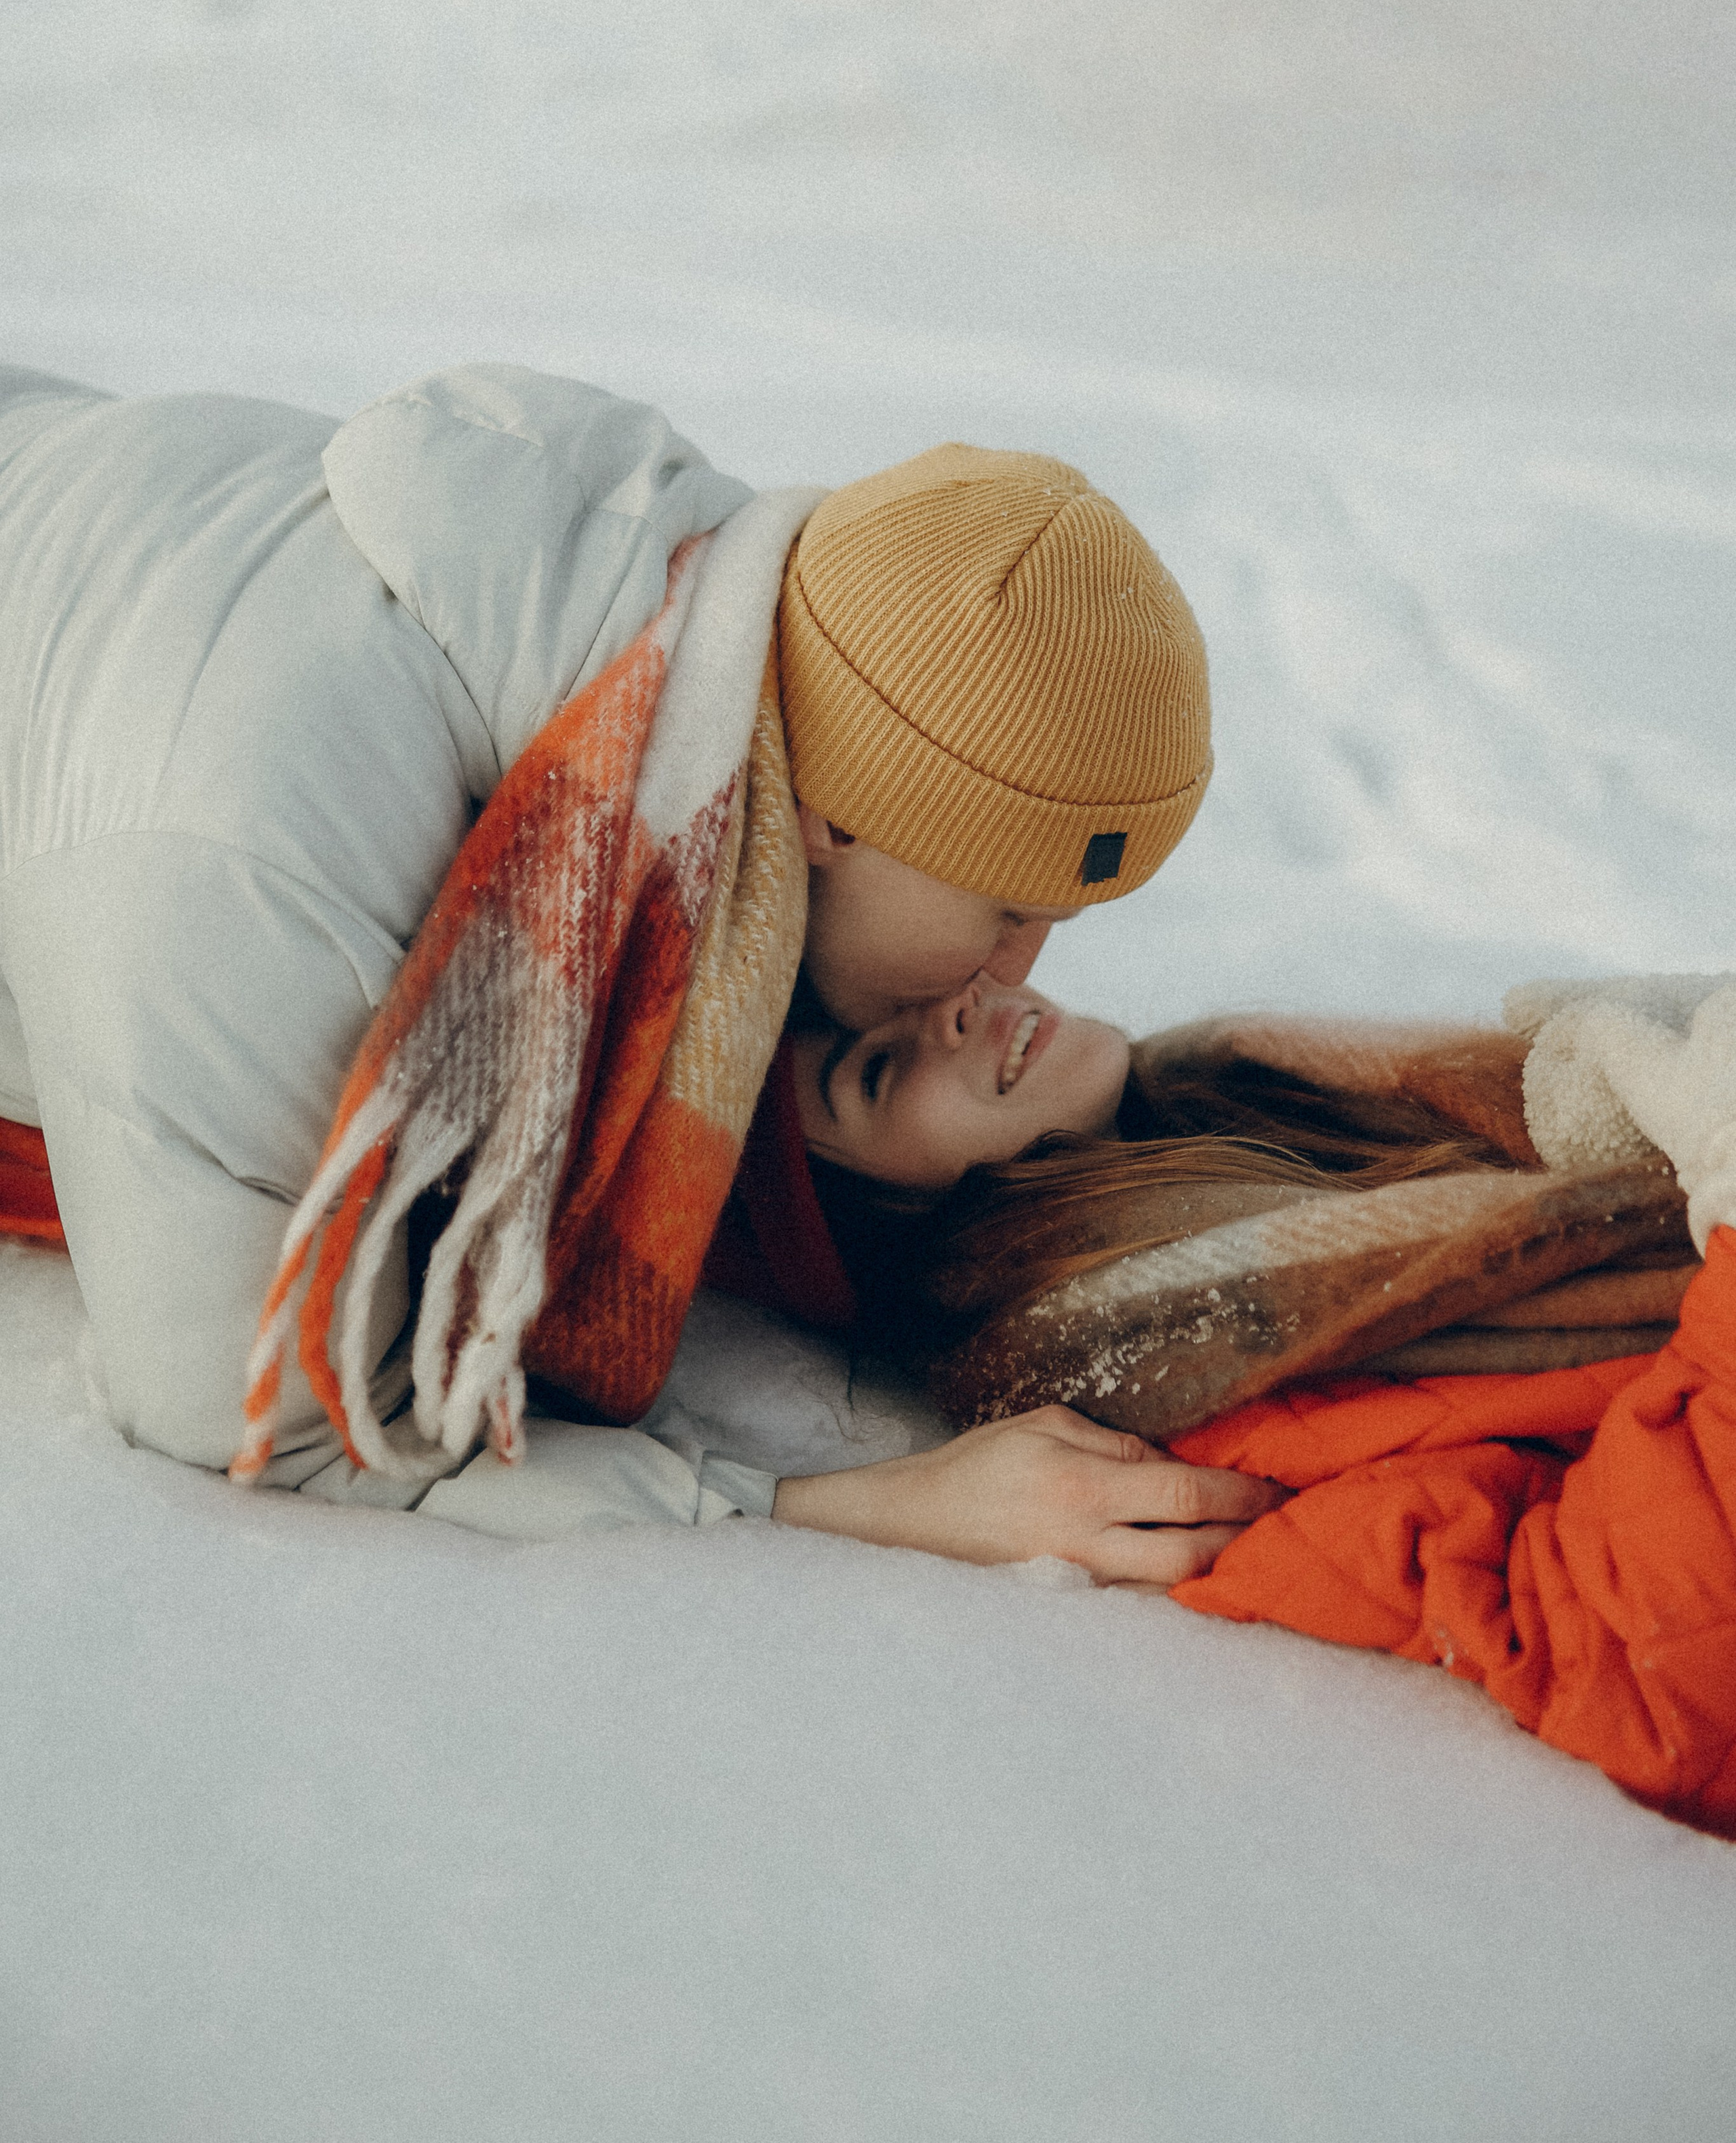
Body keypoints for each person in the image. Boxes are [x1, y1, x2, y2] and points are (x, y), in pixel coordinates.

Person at [0, 355, 1244, 1557]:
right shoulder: (264, 878)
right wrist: (870, 1507)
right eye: (1006, 909)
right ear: (836, 816)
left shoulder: (650, 594)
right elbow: (275, 1426)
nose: (1016, 971)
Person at [769, 968, 1736, 1838]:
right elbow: (1640, 1663)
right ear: (874, 1228)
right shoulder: (1169, 1379)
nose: (955, 1003)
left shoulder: (1271, 1098)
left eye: (916, 989)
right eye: (878, 1072)